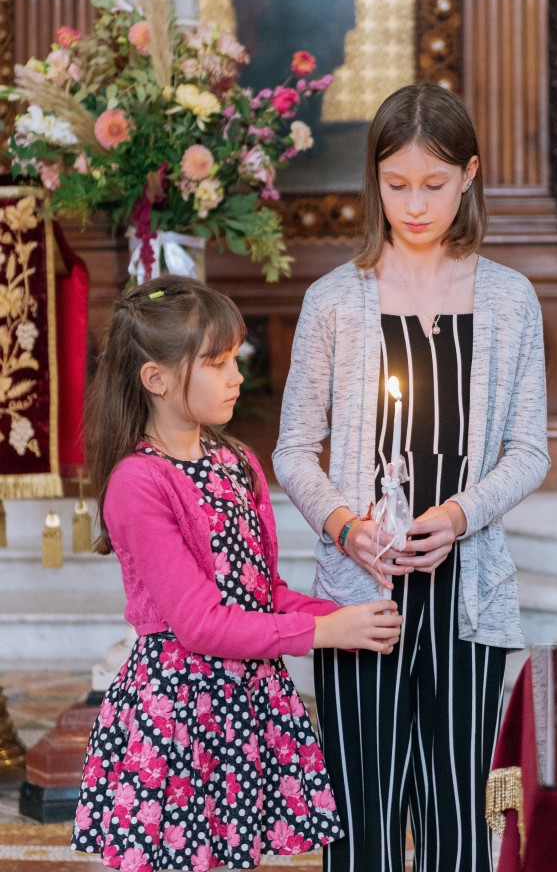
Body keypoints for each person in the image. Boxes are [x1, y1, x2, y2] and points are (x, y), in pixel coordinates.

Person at [273, 83, 551, 872]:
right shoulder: (335, 302)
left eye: (433, 184)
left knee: (458, 816)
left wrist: (460, 515)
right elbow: (294, 450)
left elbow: (529, 451)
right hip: (364, 590)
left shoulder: (510, 300)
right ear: (375, 180)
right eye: (396, 185)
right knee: (361, 817)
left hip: (466, 590)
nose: (415, 204)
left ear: (469, 175)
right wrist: (344, 527)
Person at [71, 274, 402, 870]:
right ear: (157, 378)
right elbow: (199, 623)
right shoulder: (139, 483)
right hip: (177, 716)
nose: (237, 376)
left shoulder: (238, 461)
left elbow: (262, 592)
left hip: (245, 700)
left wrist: (352, 617)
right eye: (217, 363)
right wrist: (328, 633)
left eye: (235, 359)